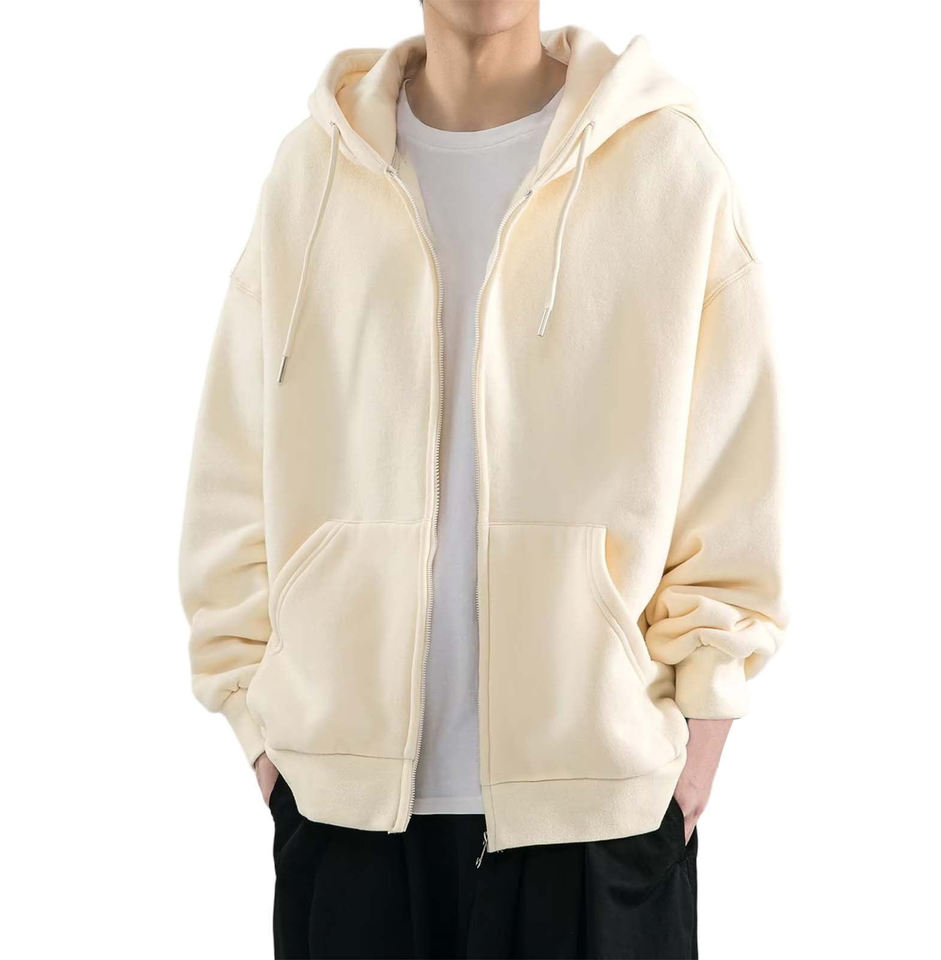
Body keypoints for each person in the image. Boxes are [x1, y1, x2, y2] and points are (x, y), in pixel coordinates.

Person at [179, 1, 787, 957]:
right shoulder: (312, 176)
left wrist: (699, 733)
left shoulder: (669, 168)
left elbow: (734, 480)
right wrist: (265, 739)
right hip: (345, 823)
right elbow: (230, 479)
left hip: (600, 819)